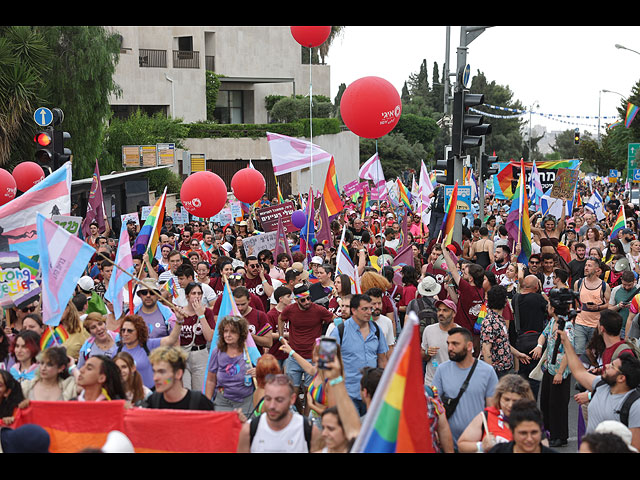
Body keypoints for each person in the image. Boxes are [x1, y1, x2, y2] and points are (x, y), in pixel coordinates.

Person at [558, 327, 640, 451]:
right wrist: (566, 343)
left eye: (612, 366)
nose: (606, 366)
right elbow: (579, 372)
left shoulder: (635, 406)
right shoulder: (601, 385)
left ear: (621, 378)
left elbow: (635, 447)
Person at [432, 327, 499, 450]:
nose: (450, 348)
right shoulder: (442, 370)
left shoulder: (487, 371)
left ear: (469, 346)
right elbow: (435, 406)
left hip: (476, 446)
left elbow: (492, 409)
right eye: (448, 344)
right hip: (449, 445)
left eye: (455, 344)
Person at [329, 294, 388, 416]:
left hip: (372, 395)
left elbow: (382, 359)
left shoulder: (377, 330)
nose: (369, 312)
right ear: (354, 310)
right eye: (364, 309)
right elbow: (326, 361)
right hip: (348, 393)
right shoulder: (339, 331)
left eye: (370, 308)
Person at [530, 292, 575, 448]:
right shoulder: (553, 322)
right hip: (549, 369)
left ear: (554, 308)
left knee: (558, 404)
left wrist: (560, 372)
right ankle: (550, 432)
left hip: (560, 371)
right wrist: (539, 345)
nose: (547, 307)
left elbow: (568, 352)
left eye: (549, 305)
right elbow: (543, 335)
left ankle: (559, 436)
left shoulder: (567, 327)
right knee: (547, 402)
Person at [278, 283, 333, 409]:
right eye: (303, 300)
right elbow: (281, 318)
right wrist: (281, 337)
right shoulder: (290, 309)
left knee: (310, 393)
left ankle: (307, 420)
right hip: (294, 356)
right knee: (292, 392)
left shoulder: (318, 310)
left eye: (309, 298)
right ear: (296, 300)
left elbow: (334, 320)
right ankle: (297, 415)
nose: (307, 302)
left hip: (312, 358)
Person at [236, 373, 323, 453]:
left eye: (279, 400)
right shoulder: (249, 430)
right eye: (268, 399)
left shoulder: (309, 431)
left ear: (292, 399)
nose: (272, 406)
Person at [457, 374, 536, 453]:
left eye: (515, 401)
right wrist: (481, 446)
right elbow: (462, 445)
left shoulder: (532, 420)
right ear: (499, 398)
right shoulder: (486, 416)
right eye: (506, 399)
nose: (510, 405)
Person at [204, 315, 256, 418]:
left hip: (246, 403)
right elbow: (210, 380)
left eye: (233, 332)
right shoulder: (217, 352)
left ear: (241, 334)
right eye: (225, 331)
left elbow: (268, 374)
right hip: (222, 402)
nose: (228, 335)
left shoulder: (250, 351)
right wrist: (207, 403)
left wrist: (259, 372)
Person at [116, 314, 182, 389]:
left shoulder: (149, 345)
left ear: (139, 331)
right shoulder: (117, 351)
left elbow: (172, 339)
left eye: (129, 331)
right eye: (123, 330)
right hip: (126, 396)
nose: (125, 333)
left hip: (150, 395)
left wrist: (179, 321)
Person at [442, 246, 486, 356]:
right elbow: (458, 302)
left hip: (462, 332)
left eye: (465, 273)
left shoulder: (467, 288)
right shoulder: (481, 289)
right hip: (473, 334)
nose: (462, 275)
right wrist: (450, 288)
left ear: (471, 279)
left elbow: (452, 270)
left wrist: (444, 251)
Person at [141, 346, 213, 411]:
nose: (155, 378)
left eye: (162, 372)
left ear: (178, 374)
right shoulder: (152, 402)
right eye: (154, 371)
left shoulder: (200, 402)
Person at [173, 282, 216, 392]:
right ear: (187, 296)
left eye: (199, 293)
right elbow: (174, 336)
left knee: (199, 391)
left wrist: (201, 315)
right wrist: (179, 319)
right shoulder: (179, 311)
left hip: (200, 353)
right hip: (183, 353)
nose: (197, 296)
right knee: (184, 389)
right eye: (193, 293)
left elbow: (209, 337)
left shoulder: (207, 313)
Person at [481, 285, 530, 378]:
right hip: (497, 371)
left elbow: (503, 342)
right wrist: (490, 373)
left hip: (505, 368)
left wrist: (517, 354)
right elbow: (485, 349)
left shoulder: (499, 319)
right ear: (504, 302)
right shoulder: (490, 321)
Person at [487, 399, 558, 453]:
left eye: (534, 432)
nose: (529, 439)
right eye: (523, 433)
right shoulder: (497, 451)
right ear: (512, 431)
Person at [573, 257, 611, 356]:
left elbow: (609, 305)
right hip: (579, 323)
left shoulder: (604, 286)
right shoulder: (578, 283)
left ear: (597, 269)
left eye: (589, 266)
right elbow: (576, 303)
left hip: (596, 325)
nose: (586, 268)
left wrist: (598, 307)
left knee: (594, 353)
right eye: (585, 265)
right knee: (578, 352)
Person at [422, 299, 459, 386]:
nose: (440, 313)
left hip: (453, 384)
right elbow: (422, 355)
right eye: (439, 310)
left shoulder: (461, 333)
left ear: (453, 314)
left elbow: (467, 361)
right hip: (431, 383)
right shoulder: (428, 330)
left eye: (445, 310)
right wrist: (427, 352)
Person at [609, 270, 640, 339]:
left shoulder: (638, 290)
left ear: (634, 280)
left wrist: (634, 306)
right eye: (624, 285)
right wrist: (618, 306)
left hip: (635, 329)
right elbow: (609, 309)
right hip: (619, 328)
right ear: (621, 280)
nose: (627, 287)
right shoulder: (616, 290)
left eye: (629, 285)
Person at [366, 288, 396, 356]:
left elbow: (390, 347)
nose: (377, 306)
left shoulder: (387, 322)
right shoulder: (362, 322)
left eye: (379, 303)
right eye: (374, 304)